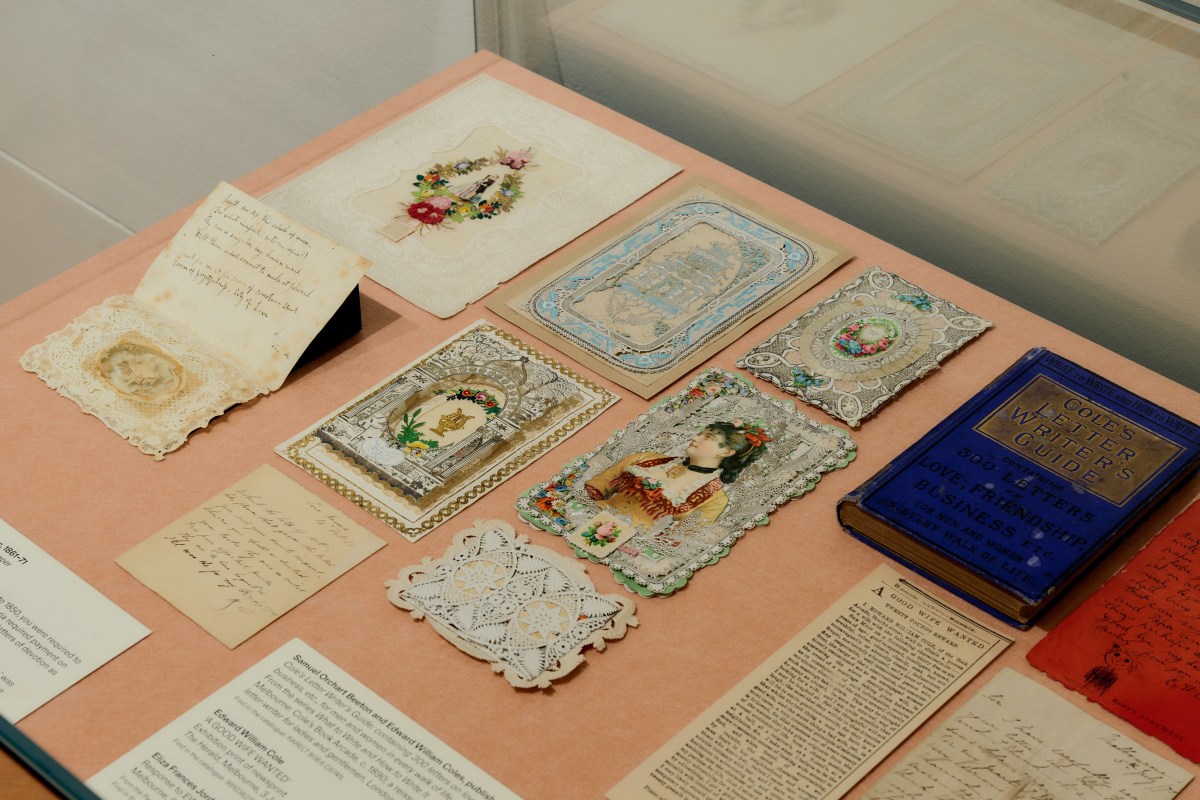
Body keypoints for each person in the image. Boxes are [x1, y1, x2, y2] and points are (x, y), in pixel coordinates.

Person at [584, 420, 770, 528]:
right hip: (587, 517)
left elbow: (683, 536)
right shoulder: (645, 458)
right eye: (700, 433)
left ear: (727, 452)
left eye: (708, 437)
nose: (695, 438)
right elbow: (599, 484)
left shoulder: (715, 500)